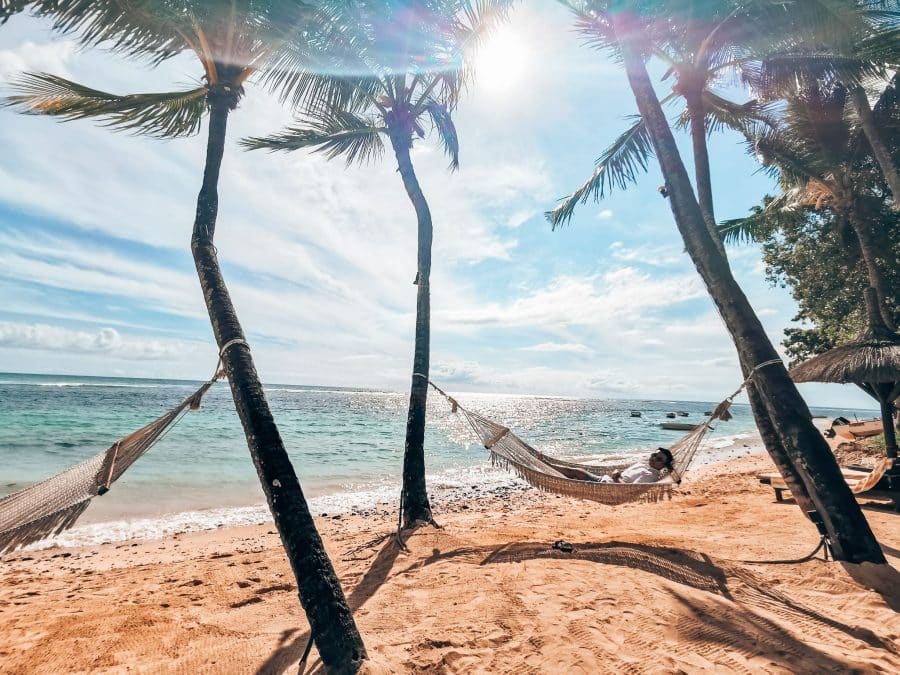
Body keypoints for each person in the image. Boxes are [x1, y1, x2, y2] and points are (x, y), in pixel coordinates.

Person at [599, 448, 673, 484]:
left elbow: (630, 489)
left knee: (586, 475)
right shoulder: (643, 465)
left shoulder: (650, 475)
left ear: (664, 465)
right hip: (605, 479)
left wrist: (616, 477)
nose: (654, 458)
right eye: (654, 455)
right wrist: (618, 473)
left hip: (608, 484)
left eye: (659, 459)